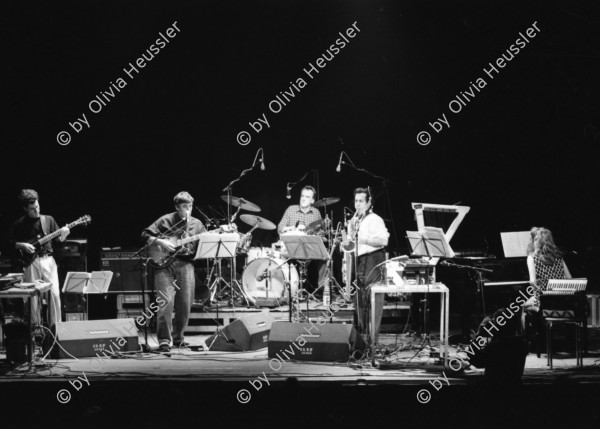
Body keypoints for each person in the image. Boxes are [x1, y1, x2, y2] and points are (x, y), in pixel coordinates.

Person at [141, 191, 205, 352]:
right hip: (164, 265)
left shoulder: (197, 224)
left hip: (186, 265)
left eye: (190, 206)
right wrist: (161, 241)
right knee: (166, 302)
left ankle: (179, 338)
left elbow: (204, 242)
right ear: (177, 207)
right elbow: (145, 234)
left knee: (185, 303)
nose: (188, 209)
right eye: (185, 206)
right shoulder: (166, 220)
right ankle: (164, 340)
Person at [6, 189, 70, 330]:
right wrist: (20, 245)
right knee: (32, 299)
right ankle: (34, 332)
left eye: (37, 206)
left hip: (48, 260)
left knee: (54, 295)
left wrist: (64, 235)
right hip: (31, 262)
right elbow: (6, 243)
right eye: (32, 209)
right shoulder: (19, 224)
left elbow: (59, 243)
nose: (36, 210)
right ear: (25, 209)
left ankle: (56, 331)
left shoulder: (48, 220)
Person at [348, 187, 389, 344]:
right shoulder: (358, 220)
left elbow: (383, 241)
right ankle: (362, 342)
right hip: (361, 261)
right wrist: (351, 230)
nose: (357, 205)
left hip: (373, 259)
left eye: (361, 201)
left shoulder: (375, 219)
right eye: (356, 201)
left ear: (368, 202)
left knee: (373, 301)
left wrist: (361, 239)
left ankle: (373, 342)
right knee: (359, 301)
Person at [521, 227, 572, 337]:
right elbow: (569, 279)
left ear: (537, 242)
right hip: (562, 300)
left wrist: (536, 298)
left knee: (521, 306)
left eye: (535, 240)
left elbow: (533, 282)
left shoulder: (532, 258)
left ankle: (531, 341)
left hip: (543, 301)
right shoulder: (559, 257)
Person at [277, 186, 327, 295]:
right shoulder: (291, 209)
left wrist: (315, 235)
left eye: (307, 197)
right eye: (302, 196)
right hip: (292, 248)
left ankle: (323, 289)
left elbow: (322, 233)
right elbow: (280, 228)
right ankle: (283, 289)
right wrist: (294, 228)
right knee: (279, 255)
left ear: (312, 200)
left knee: (325, 257)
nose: (303, 199)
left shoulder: (316, 212)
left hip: (309, 248)